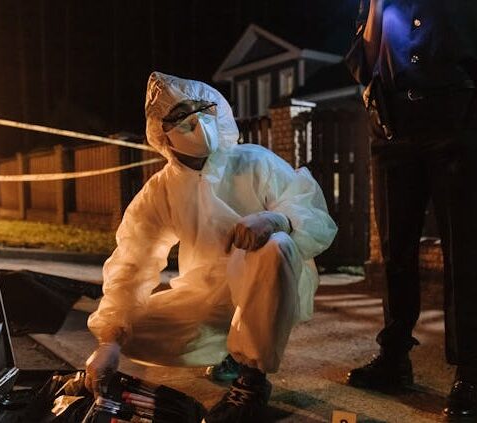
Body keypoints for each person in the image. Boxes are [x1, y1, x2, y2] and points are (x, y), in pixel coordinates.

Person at [85, 72, 337, 422]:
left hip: (267, 283)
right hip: (206, 293)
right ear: (162, 133)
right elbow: (133, 260)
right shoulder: (161, 191)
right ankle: (231, 353)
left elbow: (311, 212)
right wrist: (109, 341)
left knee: (275, 246)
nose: (196, 121)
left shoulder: (253, 162)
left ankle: (251, 382)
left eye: (201, 108)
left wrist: (277, 220)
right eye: (179, 116)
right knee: (131, 331)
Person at [346, 1, 477, 421]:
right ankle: (394, 356)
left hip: (458, 122)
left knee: (465, 256)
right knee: (395, 251)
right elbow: (367, 58)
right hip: (393, 126)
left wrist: (474, 122)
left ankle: (471, 374)